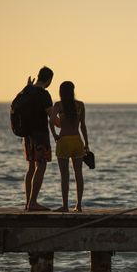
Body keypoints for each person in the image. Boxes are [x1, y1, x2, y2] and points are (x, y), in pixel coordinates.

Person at [50, 81, 90, 212]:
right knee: (79, 174)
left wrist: (55, 135)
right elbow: (83, 126)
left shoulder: (59, 105)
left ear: (61, 92)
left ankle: (65, 206)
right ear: (73, 91)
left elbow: (51, 120)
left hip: (64, 141)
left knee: (65, 175)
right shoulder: (80, 105)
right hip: (77, 141)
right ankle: (78, 206)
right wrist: (87, 144)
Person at [23, 66, 57, 211]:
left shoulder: (27, 90)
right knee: (41, 165)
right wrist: (68, 124)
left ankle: (28, 203)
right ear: (49, 79)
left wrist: (28, 86)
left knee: (31, 167)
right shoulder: (44, 94)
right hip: (40, 135)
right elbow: (52, 117)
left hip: (27, 134)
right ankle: (33, 202)